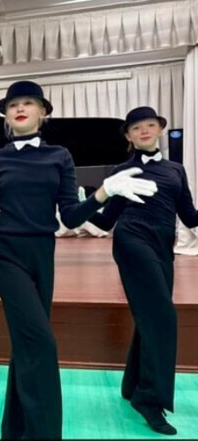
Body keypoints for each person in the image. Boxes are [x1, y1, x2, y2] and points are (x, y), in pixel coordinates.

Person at [0, 81, 158, 439]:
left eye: (28, 103)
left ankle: (15, 428)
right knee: (41, 342)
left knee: (26, 342)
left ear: (43, 112)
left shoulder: (59, 156)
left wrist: (104, 193)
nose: (20, 108)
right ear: (6, 116)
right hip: (5, 253)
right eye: (13, 105)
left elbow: (72, 217)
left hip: (43, 253)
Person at [87, 106, 196, 435]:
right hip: (132, 242)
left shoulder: (176, 170)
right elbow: (106, 221)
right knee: (163, 317)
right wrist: (85, 204)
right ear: (129, 136)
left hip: (163, 248)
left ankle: (133, 383)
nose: (144, 130)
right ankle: (149, 400)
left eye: (150, 124)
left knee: (151, 315)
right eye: (136, 127)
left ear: (160, 129)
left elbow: (189, 216)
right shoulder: (122, 171)